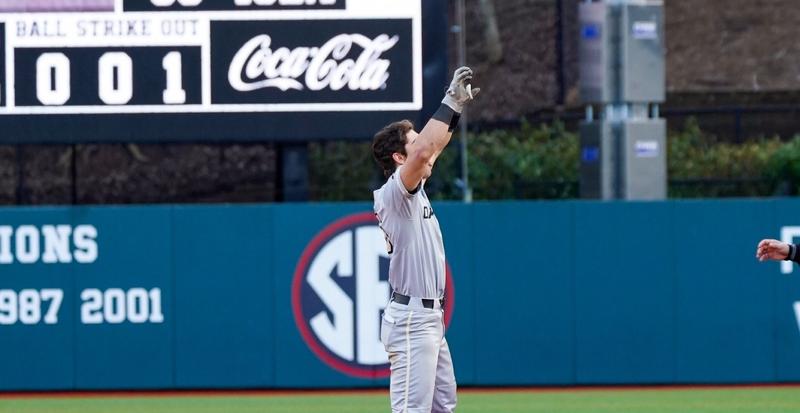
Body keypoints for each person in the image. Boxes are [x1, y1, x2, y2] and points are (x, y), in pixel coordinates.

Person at [371, 67, 479, 413]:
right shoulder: (395, 194)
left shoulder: (412, 191)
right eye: (413, 141)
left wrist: (456, 111)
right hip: (411, 320)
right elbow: (423, 153)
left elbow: (429, 149)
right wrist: (449, 100)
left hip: (429, 318)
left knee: (443, 406)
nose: (422, 147)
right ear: (398, 158)